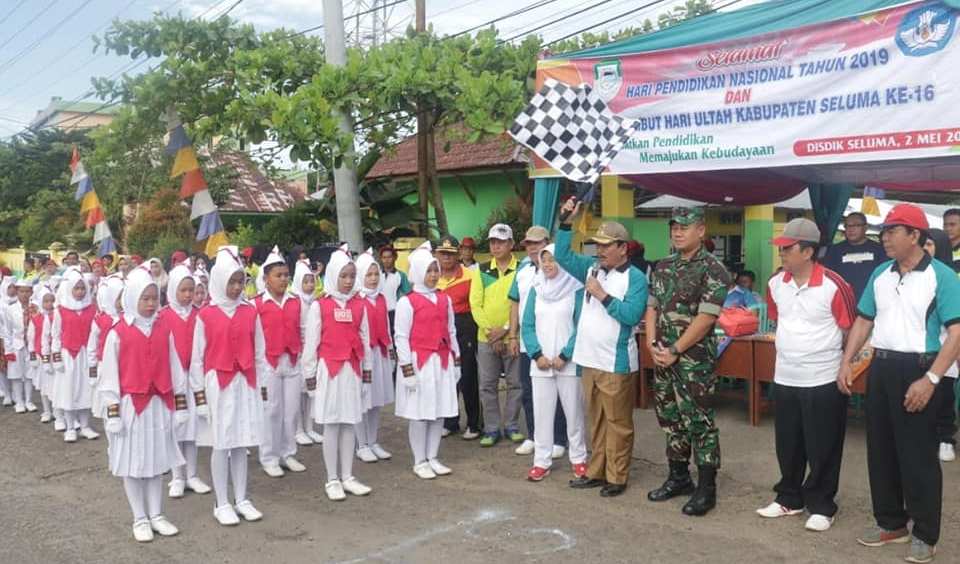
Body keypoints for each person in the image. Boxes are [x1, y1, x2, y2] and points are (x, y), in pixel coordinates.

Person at [839, 204, 960, 563]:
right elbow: (863, 321)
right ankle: (891, 523)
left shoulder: (942, 276)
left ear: (916, 236)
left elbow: (956, 333)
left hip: (921, 368)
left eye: (893, 231)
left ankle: (925, 533)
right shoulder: (881, 273)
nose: (885, 237)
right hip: (883, 368)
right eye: (885, 231)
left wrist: (931, 379)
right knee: (882, 450)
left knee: (918, 455)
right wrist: (846, 361)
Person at [756, 219, 855, 532]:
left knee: (823, 444)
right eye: (781, 248)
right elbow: (778, 319)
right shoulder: (776, 283)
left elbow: (851, 327)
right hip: (785, 375)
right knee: (788, 442)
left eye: (788, 248)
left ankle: (823, 504)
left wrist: (846, 364)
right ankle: (789, 498)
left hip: (823, 377)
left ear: (809, 251)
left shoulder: (834, 284)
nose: (782, 253)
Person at [555, 202, 646, 498]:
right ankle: (596, 472)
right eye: (597, 245)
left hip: (615, 362)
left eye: (606, 245)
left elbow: (632, 315)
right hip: (588, 361)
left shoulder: (637, 278)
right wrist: (565, 223)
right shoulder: (593, 268)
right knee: (595, 420)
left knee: (618, 423)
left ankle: (617, 477)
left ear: (623, 247)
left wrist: (602, 296)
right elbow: (563, 255)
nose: (600, 250)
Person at [645, 207, 731, 515]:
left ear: (701, 231)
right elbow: (652, 307)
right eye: (674, 227)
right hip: (663, 357)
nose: (678, 232)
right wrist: (653, 343)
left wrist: (675, 350)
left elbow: (706, 318)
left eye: (685, 226)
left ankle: (707, 488)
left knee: (699, 422)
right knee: (670, 418)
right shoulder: (663, 265)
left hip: (694, 362)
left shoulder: (714, 268)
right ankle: (679, 478)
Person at [98, 267, 183, 543]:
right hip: (131, 406)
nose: (150, 304)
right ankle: (140, 517)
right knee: (133, 463)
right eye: (144, 298)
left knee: (156, 461)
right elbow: (108, 375)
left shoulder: (163, 328)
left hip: (158, 404)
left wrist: (180, 404)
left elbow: (175, 367)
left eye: (154, 298)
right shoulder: (118, 332)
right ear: (132, 297)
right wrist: (112, 411)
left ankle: (157, 514)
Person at [190, 246, 265, 526]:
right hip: (218, 384)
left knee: (242, 440)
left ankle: (242, 498)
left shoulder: (249, 312)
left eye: (240, 281)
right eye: (231, 282)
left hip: (245, 382)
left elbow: (260, 352)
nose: (236, 287)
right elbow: (197, 358)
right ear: (219, 281)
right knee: (221, 443)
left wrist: (262, 388)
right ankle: (221, 501)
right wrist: (199, 397)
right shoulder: (206, 315)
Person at [301, 245, 374, 501]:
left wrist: (367, 373)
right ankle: (332, 478)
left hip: (351, 370)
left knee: (349, 423)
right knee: (331, 424)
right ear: (332, 275)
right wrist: (310, 380)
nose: (348, 281)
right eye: (343, 276)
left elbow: (365, 341)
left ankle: (348, 475)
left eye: (352, 277)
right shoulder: (319, 306)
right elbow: (311, 345)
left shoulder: (359, 306)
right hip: (329, 371)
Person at [521, 244, 588, 483]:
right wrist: (537, 355)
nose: (547, 265)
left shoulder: (575, 289)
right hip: (540, 364)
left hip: (568, 364)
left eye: (552, 260)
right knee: (542, 414)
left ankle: (579, 458)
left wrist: (565, 355)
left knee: (574, 413)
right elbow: (527, 325)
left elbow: (581, 326)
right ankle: (541, 461)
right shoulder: (536, 289)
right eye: (544, 260)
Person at [394, 242, 460, 479]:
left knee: (439, 411)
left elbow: (451, 330)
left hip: (441, 361)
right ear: (418, 273)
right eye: (429, 271)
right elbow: (401, 337)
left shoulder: (444, 299)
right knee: (420, 413)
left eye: (435, 270)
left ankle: (433, 456)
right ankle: (419, 459)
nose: (433, 275)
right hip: (419, 362)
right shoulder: (407, 302)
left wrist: (456, 361)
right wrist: (407, 371)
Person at [509, 226, 568, 458]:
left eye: (537, 243)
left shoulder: (560, 268)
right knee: (528, 391)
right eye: (528, 244)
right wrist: (512, 334)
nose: (533, 248)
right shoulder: (522, 270)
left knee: (559, 393)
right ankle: (534, 436)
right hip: (528, 344)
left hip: (555, 342)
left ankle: (559, 438)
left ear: (548, 242)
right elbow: (514, 302)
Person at [254, 246, 307, 478]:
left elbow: (304, 331)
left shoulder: (296, 302)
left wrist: (303, 358)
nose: (283, 279)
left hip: (292, 361)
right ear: (266, 279)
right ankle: (269, 456)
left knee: (291, 410)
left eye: (286, 275)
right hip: (269, 363)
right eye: (278, 275)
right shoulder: (257, 304)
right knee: (271, 410)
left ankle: (287, 452)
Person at [160, 264, 212, 499]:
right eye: (183, 290)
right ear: (173, 290)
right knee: (175, 430)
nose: (189, 295)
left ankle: (192, 474)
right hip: (172, 380)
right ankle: (177, 476)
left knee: (192, 431)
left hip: (194, 377)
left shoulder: (199, 315)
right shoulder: (163, 316)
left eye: (192, 290)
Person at [470, 223, 524, 447]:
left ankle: (511, 425)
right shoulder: (481, 270)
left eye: (501, 241)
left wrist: (506, 329)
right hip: (486, 339)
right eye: (493, 242)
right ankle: (492, 429)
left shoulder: (523, 269)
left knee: (515, 383)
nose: (496, 246)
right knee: (487, 385)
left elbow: (522, 302)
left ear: (511, 244)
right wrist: (490, 332)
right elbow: (475, 303)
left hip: (512, 336)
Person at [436, 235, 481, 440]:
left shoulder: (470, 275)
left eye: (451, 253)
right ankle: (450, 422)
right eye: (443, 253)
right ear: (437, 255)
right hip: (439, 328)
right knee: (445, 376)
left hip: (464, 325)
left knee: (468, 375)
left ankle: (473, 423)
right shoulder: (432, 276)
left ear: (458, 254)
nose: (446, 257)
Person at [353, 249, 395, 463]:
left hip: (379, 352)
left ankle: (373, 440)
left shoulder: (380, 298)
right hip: (363, 356)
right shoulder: (356, 300)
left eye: (376, 274)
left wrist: (389, 348)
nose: (372, 279)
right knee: (363, 400)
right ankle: (361, 444)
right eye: (368, 275)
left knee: (376, 399)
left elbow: (386, 326)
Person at [51, 268, 100, 442]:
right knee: (69, 389)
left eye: (82, 288)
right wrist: (56, 357)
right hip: (68, 355)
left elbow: (96, 334)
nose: (80, 292)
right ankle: (70, 427)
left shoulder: (92, 309)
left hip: (86, 354)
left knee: (86, 389)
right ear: (69, 289)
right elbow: (55, 335)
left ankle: (85, 425)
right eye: (76, 288)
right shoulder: (60, 310)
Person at [923, 228, 958, 462]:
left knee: (944, 395)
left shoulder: (951, 277)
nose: (924, 249)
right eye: (923, 244)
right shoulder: (915, 275)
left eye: (930, 245)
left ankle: (946, 439)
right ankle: (926, 437)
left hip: (948, 344)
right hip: (920, 347)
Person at [291, 258, 324, 446]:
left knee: (311, 390)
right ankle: (298, 429)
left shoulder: (315, 302)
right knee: (298, 392)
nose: (310, 285)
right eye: (306, 281)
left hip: (313, 350)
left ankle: (309, 427)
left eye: (312, 281)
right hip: (299, 352)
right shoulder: (296, 302)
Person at [821, 212, 887, 301]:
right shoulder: (834, 251)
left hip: (871, 303)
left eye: (856, 225)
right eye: (847, 226)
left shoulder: (880, 250)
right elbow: (827, 279)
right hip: (843, 303)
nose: (851, 230)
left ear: (866, 228)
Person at [87, 274, 125, 422]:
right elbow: (92, 346)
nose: (120, 302)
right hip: (105, 367)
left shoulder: (130, 319)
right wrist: (92, 371)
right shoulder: (100, 319)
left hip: (125, 367)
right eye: (117, 298)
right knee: (107, 403)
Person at [3, 279, 37, 413]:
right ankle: (19, 401)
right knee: (16, 374)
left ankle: (29, 400)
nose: (24, 294)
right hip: (16, 345)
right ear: (17, 292)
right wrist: (8, 349)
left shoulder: (35, 308)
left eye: (27, 291)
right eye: (21, 291)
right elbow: (7, 331)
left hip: (31, 345)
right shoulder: (10, 309)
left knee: (29, 373)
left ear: (31, 292)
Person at [29, 285, 56, 423]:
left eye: (51, 300)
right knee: (44, 386)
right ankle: (47, 411)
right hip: (41, 356)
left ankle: (58, 411)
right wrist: (32, 356)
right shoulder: (36, 319)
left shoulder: (57, 316)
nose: (49, 304)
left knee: (56, 385)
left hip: (55, 355)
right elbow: (31, 338)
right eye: (46, 301)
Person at [379, 245, 411, 332]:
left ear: (394, 258)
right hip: (379, 312)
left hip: (395, 312)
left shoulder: (401, 275)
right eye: (384, 257)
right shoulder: (377, 275)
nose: (386, 260)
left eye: (389, 257)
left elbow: (408, 295)